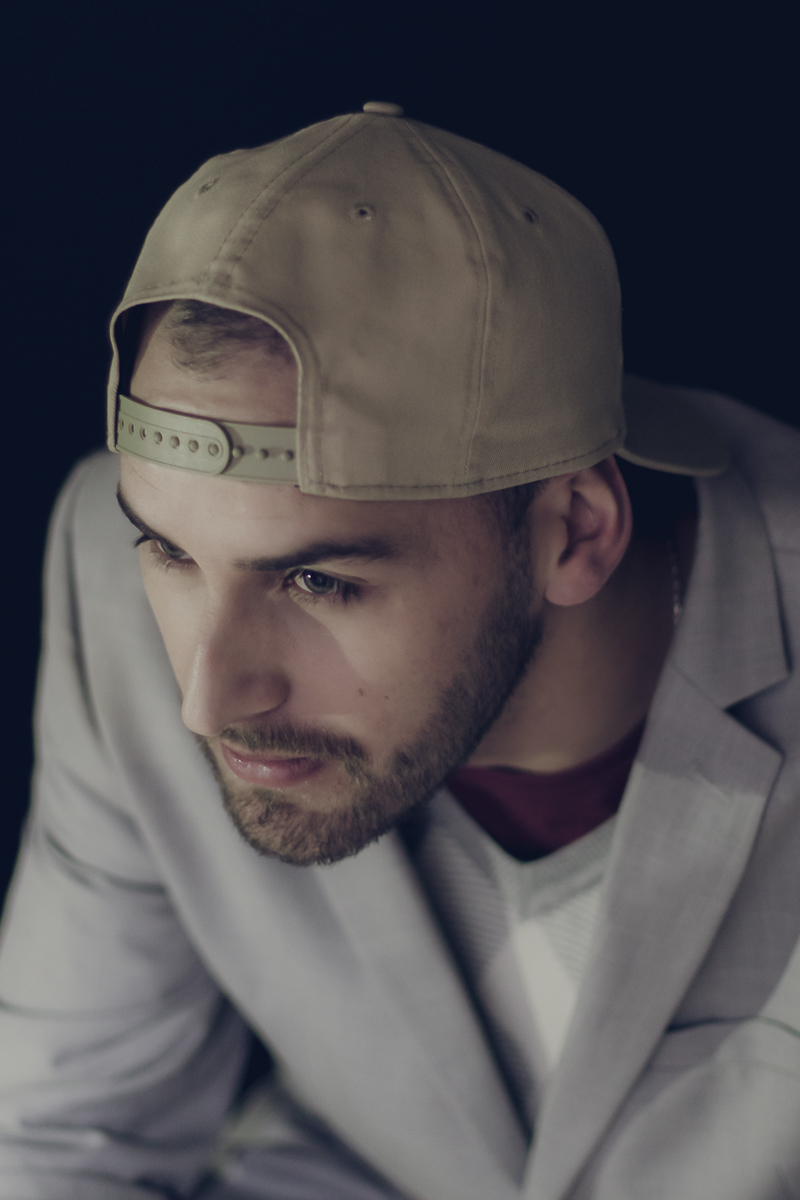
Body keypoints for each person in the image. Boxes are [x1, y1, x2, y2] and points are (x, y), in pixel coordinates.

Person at [0, 102, 798, 1200]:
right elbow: (69, 1136)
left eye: (318, 581)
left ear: (575, 530)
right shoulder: (109, 590)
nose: (208, 699)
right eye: (171, 552)